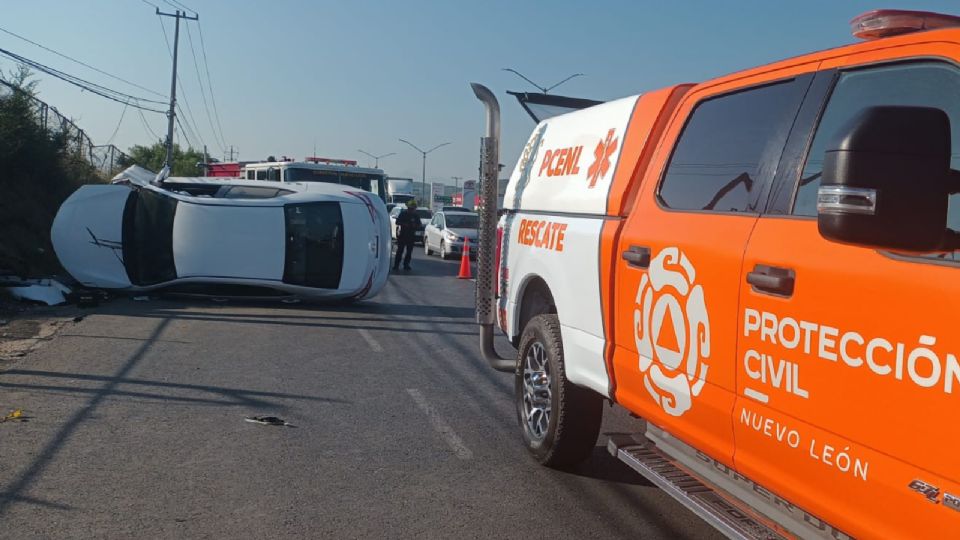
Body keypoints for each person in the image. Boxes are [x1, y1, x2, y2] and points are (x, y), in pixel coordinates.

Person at [394, 200, 421, 271]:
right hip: (402, 235)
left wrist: (415, 226)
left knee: (409, 252)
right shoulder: (403, 214)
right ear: (408, 208)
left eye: (413, 209)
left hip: (411, 236)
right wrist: (404, 224)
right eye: (410, 208)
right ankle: (396, 265)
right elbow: (397, 222)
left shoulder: (416, 215)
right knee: (400, 251)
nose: (411, 210)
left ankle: (406, 265)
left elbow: (419, 225)